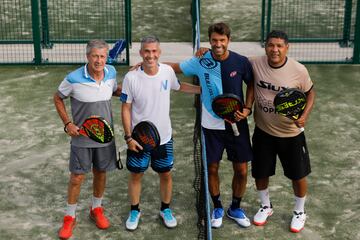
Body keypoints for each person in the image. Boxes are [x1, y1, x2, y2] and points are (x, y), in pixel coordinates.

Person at [167, 22, 254, 229]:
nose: (218, 44)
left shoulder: (241, 62)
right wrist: (148, 64)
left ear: (229, 41)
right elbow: (176, 67)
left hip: (236, 124)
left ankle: (235, 207)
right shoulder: (201, 60)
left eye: (222, 40)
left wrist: (248, 108)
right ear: (210, 40)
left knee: (241, 170)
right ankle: (217, 207)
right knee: (212, 168)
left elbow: (251, 83)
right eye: (214, 40)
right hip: (210, 125)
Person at [120, 36, 200, 231]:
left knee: (165, 174)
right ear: (140, 53)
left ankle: (165, 209)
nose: (150, 55)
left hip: (164, 139)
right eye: (146, 51)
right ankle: (135, 211)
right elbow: (125, 109)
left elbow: (179, 86)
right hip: (139, 139)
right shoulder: (131, 77)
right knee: (136, 175)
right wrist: (129, 137)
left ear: (159, 52)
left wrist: (202, 90)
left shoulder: (167, 72)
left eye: (154, 51)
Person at [54, 39, 121, 239]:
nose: (98, 60)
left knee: (101, 172)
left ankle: (96, 209)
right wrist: (67, 124)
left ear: (106, 57)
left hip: (105, 136)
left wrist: (137, 81)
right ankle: (69, 217)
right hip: (82, 137)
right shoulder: (73, 78)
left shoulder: (111, 73)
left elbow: (115, 90)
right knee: (77, 177)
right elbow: (58, 97)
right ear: (87, 57)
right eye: (95, 56)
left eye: (102, 56)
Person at [249, 30, 315, 233]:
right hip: (263, 132)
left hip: (291, 135)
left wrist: (304, 114)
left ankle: (300, 212)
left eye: (279, 46)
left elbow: (310, 93)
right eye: (271, 45)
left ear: (287, 47)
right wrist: (205, 51)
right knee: (260, 173)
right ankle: (266, 206)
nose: (275, 49)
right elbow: (229, 59)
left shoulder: (299, 70)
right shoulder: (255, 63)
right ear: (265, 47)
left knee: (298, 175)